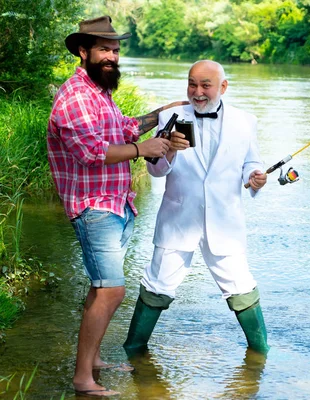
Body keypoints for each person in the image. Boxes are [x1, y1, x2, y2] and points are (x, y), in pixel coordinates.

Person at [47, 16, 187, 397]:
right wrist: (145, 149)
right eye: (104, 49)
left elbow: (123, 128)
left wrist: (163, 112)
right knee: (112, 291)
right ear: (83, 51)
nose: (111, 56)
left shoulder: (99, 91)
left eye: (115, 50)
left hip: (116, 203)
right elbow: (91, 152)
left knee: (99, 289)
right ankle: (82, 379)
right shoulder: (76, 96)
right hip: (93, 207)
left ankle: (91, 363)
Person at [123, 60, 270, 357]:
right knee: (156, 285)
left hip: (225, 223)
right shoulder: (169, 116)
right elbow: (156, 172)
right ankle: (133, 351)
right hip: (178, 219)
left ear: (223, 87)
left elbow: (250, 164)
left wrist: (255, 179)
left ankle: (262, 353)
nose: (198, 92)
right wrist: (171, 150)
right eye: (192, 84)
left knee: (241, 287)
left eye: (206, 85)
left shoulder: (246, 121)